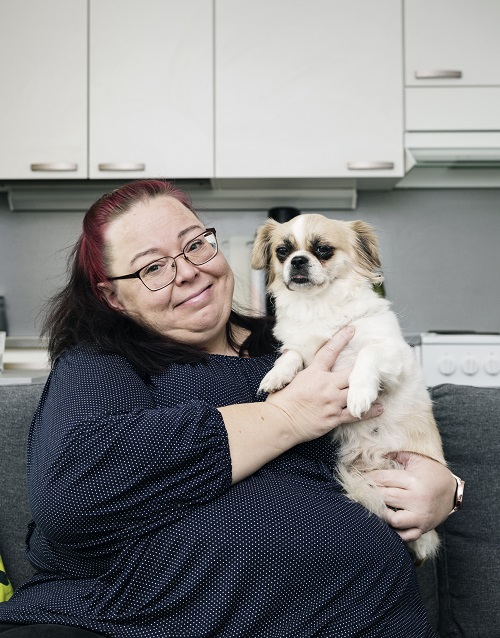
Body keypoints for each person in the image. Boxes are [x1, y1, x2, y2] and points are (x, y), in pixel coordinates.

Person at [0, 179, 459, 638]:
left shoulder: (298, 340)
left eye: (195, 245)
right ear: (112, 296)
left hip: (361, 615)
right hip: (129, 621)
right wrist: (286, 417)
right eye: (153, 268)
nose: (187, 272)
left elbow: (395, 414)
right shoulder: (102, 365)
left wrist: (446, 488)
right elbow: (73, 492)